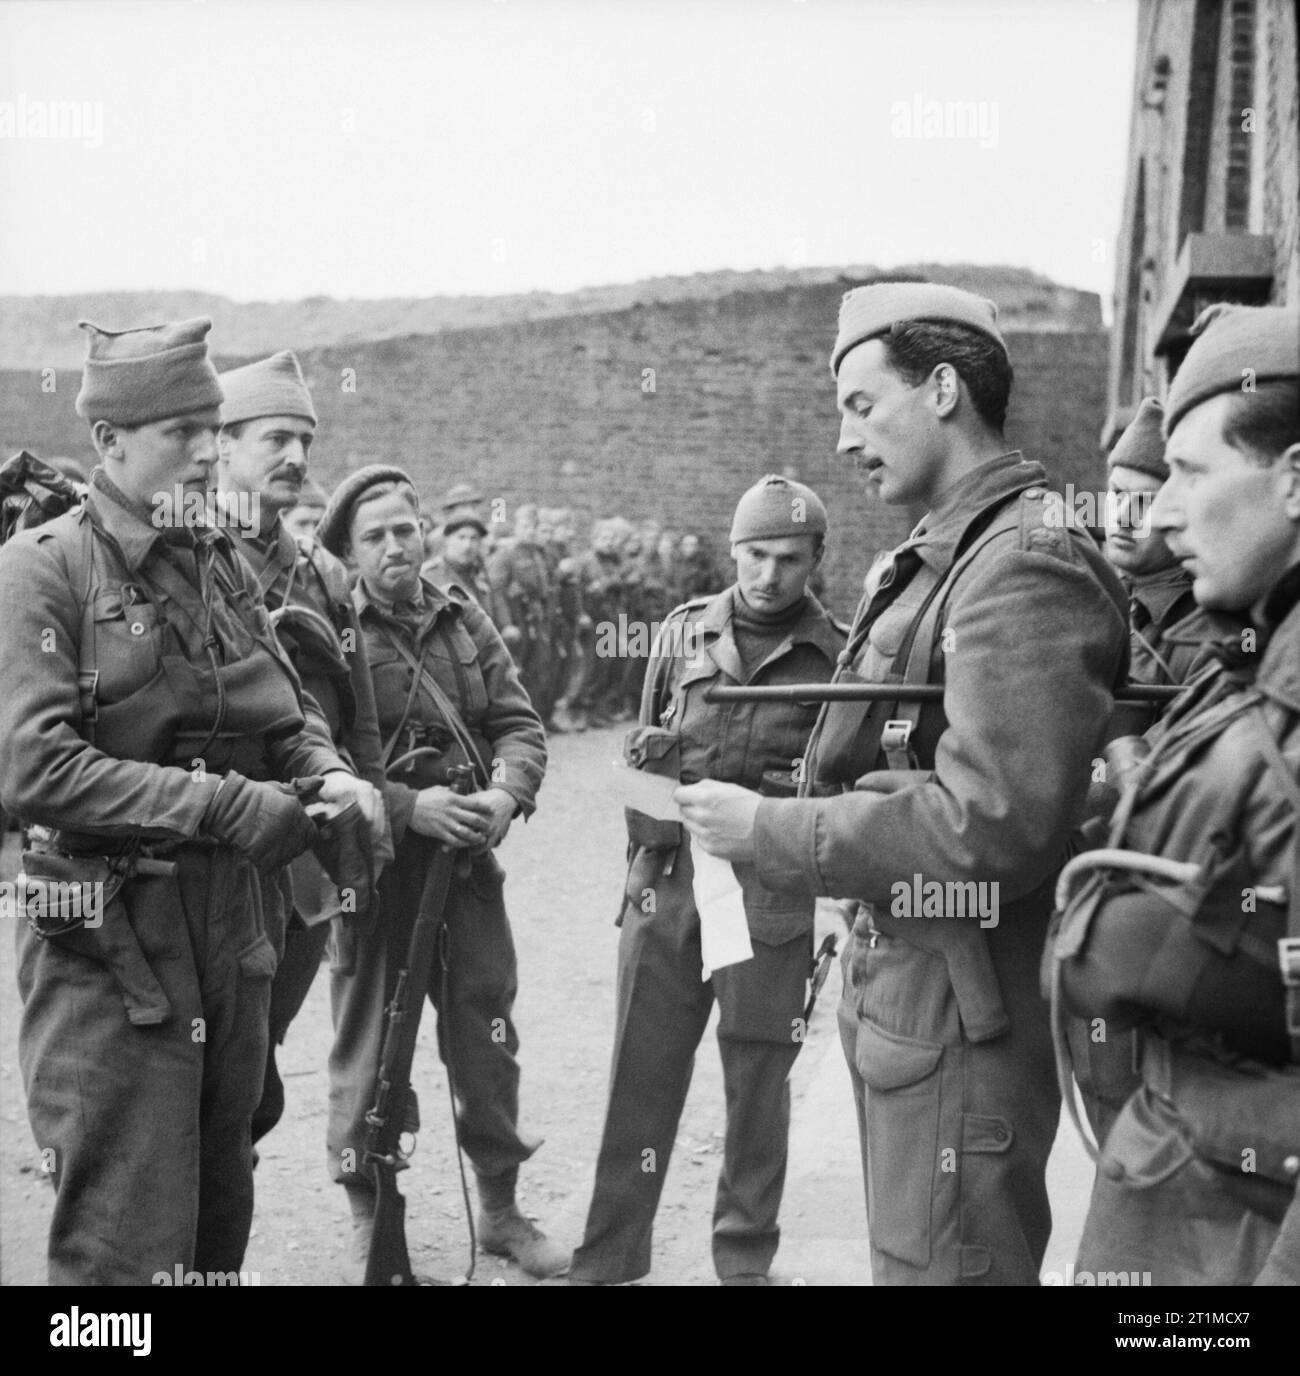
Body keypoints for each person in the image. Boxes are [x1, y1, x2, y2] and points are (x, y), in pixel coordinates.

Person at [675, 282, 1129, 1285]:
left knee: (948, 1264)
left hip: (961, 1013)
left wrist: (771, 829)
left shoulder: (1021, 562)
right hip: (913, 995)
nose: (842, 439)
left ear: (939, 389)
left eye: (860, 404)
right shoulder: (945, 552)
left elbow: (990, 822)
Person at [0, 316, 380, 1285]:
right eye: (181, 428)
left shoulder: (220, 562)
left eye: (213, 424)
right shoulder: (42, 568)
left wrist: (329, 771)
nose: (210, 447)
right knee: (122, 1226)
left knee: (220, 1198)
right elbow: (32, 766)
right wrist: (217, 803)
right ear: (111, 441)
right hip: (107, 935)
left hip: (230, 929)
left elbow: (285, 712)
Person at [1061, 303, 1300, 1286]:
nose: (1156, 512)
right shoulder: (1255, 653)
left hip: (1240, 1223)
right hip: (1182, 1179)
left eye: (1191, 474)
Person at [570, 476, 845, 1286]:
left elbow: (840, 787)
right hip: (667, 888)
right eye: (755, 555)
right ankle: (609, 1258)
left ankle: (744, 1264)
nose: (769, 575)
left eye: (789, 559)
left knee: (759, 1089)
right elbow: (645, 744)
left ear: (815, 561)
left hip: (767, 897)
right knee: (639, 1080)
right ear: (733, 552)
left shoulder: (841, 655)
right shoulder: (683, 633)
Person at [316, 466, 568, 1280]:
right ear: (348, 551)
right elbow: (308, 753)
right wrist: (404, 806)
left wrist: (504, 795)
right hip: (375, 872)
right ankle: (371, 1231)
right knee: (371, 1054)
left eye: (406, 528)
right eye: (376, 536)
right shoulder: (330, 633)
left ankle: (499, 1215)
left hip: (464, 870)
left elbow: (519, 725)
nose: (398, 547)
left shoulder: (465, 621)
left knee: (486, 1037)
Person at [215, 350, 389, 1148]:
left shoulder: (321, 571)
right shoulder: (187, 556)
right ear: (220, 445)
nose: (296, 459)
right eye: (274, 439)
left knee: (259, 1057)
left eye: (306, 443)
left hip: (309, 855)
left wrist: (367, 806)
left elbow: (357, 710)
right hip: (219, 842)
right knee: (208, 1061)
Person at [1070, 394, 1219, 1142]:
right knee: (1101, 1115)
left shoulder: (1217, 623)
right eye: (1115, 497)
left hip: (1165, 921)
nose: (1122, 517)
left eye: (1144, 498)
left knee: (1153, 1133)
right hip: (1085, 905)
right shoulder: (1098, 604)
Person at [488, 503, 557, 727]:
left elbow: (545, 589)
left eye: (533, 526)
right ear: (516, 527)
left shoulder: (538, 554)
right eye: (525, 525)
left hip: (535, 620)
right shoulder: (505, 554)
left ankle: (533, 721)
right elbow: (497, 592)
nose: (530, 531)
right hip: (516, 621)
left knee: (538, 671)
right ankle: (514, 723)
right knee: (515, 673)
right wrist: (507, 624)